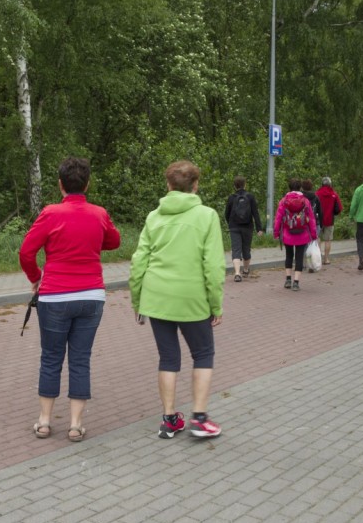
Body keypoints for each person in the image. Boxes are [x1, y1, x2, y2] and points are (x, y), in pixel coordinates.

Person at [19, 157, 121, 442]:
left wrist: (36, 277)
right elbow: (114, 242)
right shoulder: (99, 213)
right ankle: (75, 425)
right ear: (86, 184)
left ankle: (44, 422)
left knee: (51, 358)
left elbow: (26, 252)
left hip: (54, 297)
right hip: (91, 296)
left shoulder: (50, 213)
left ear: (60, 184)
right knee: (80, 359)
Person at [130, 160, 225, 439]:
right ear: (195, 186)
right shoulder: (207, 216)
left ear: (168, 186)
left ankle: (170, 420)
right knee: (203, 354)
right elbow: (213, 266)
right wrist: (216, 304)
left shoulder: (154, 217)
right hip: (192, 298)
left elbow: (139, 262)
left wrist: (137, 300)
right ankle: (199, 418)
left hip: (157, 296)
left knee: (168, 358)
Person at [273, 178, 318, 291]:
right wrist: (313, 234)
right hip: (302, 233)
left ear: (289, 188)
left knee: (289, 256)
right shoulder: (305, 201)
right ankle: (296, 282)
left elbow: (278, 218)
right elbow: (312, 219)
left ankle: (288, 279)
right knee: (299, 257)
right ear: (300, 188)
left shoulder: (284, 201)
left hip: (287, 233)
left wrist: (276, 232)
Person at [224, 175, 264, 282]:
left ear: (234, 186)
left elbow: (226, 214)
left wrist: (230, 223)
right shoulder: (250, 197)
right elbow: (255, 213)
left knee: (236, 250)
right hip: (247, 227)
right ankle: (245, 270)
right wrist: (259, 228)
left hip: (234, 227)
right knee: (246, 249)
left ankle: (237, 273)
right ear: (245, 184)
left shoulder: (231, 197)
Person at [315, 176, 344, 265]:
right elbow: (339, 208)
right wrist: (333, 213)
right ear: (330, 184)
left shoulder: (316, 194)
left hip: (318, 220)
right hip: (329, 220)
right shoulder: (334, 194)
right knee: (328, 240)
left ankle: (318, 257)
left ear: (322, 184)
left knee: (317, 238)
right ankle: (326, 259)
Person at [301, 179, 323, 272]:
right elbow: (320, 212)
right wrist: (321, 224)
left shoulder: (300, 197)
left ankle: (301, 264)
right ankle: (312, 263)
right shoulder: (316, 197)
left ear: (302, 187)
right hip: (314, 223)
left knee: (302, 244)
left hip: (303, 223)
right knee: (313, 243)